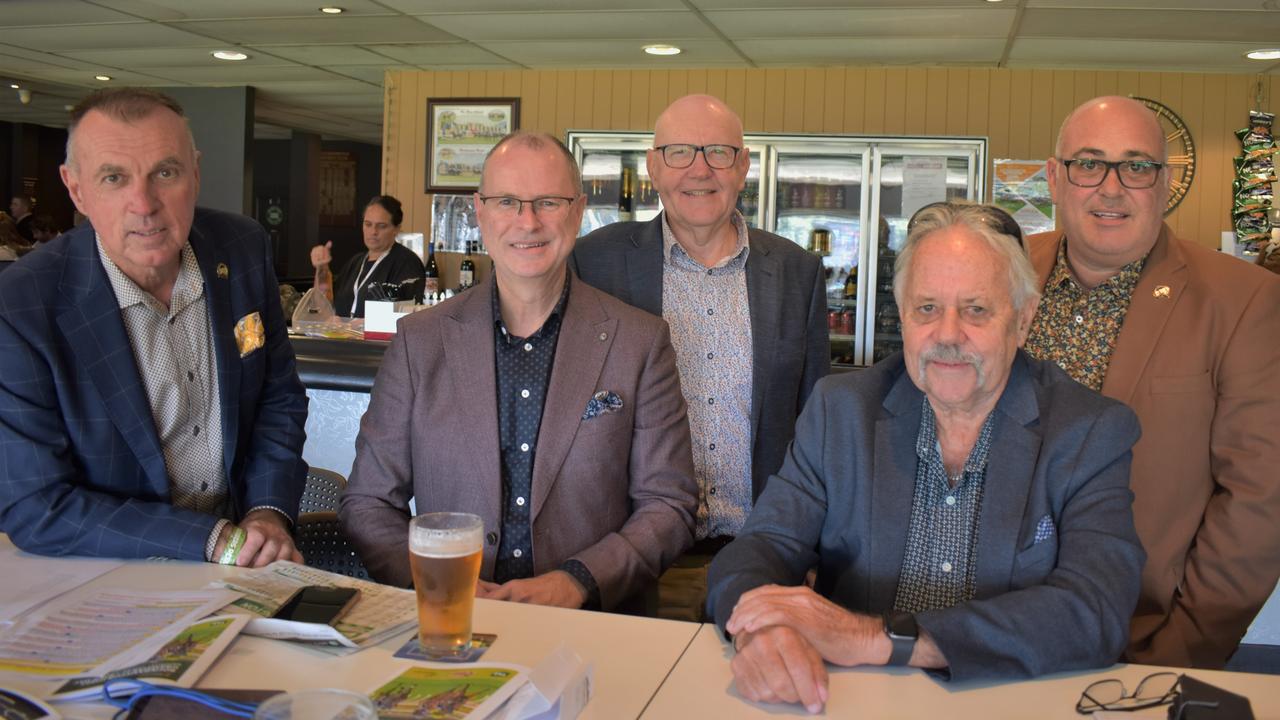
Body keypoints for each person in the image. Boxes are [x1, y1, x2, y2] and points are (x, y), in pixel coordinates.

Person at [707, 202, 1144, 713]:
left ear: (1023, 321)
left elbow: (1094, 609)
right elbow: (762, 547)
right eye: (927, 308)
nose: (948, 335)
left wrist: (879, 637)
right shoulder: (840, 410)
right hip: (851, 700)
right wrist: (764, 630)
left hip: (1010, 701)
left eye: (976, 310)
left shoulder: (1090, 431)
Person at [340, 132, 697, 611]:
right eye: (508, 201)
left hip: (595, 626)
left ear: (578, 210)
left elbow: (668, 505)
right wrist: (434, 577)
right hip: (452, 618)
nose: (527, 222)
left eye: (548, 202)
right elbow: (368, 503)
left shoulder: (641, 341)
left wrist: (579, 580)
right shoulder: (419, 342)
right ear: (481, 210)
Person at [0, 87, 309, 566]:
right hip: (101, 574)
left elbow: (276, 396)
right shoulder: (21, 306)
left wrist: (266, 514)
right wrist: (212, 541)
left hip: (242, 569)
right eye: (114, 178)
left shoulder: (242, 249)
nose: (143, 203)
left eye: (165, 173)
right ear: (76, 188)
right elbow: (36, 506)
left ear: (196, 173)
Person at [1024, 96, 1280, 669]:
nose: (1111, 188)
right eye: (1089, 163)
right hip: (976, 627)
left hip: (1135, 640)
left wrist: (1181, 650)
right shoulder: (1002, 272)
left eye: (1136, 166)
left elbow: (1260, 499)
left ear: (1164, 184)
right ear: (1054, 177)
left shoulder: (1243, 301)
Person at [571, 95, 828, 620]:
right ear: (653, 166)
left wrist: (812, 546)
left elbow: (817, 425)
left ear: (744, 165)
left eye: (718, 152)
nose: (699, 169)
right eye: (680, 152)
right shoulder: (596, 262)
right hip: (628, 561)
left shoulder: (797, 272)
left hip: (761, 562)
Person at [309, 195, 425, 318]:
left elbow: (405, 315)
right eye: (368, 224)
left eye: (381, 226)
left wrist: (355, 326)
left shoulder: (407, 262)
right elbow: (323, 305)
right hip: (342, 336)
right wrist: (322, 268)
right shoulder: (355, 262)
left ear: (396, 229)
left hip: (377, 337)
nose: (373, 231)